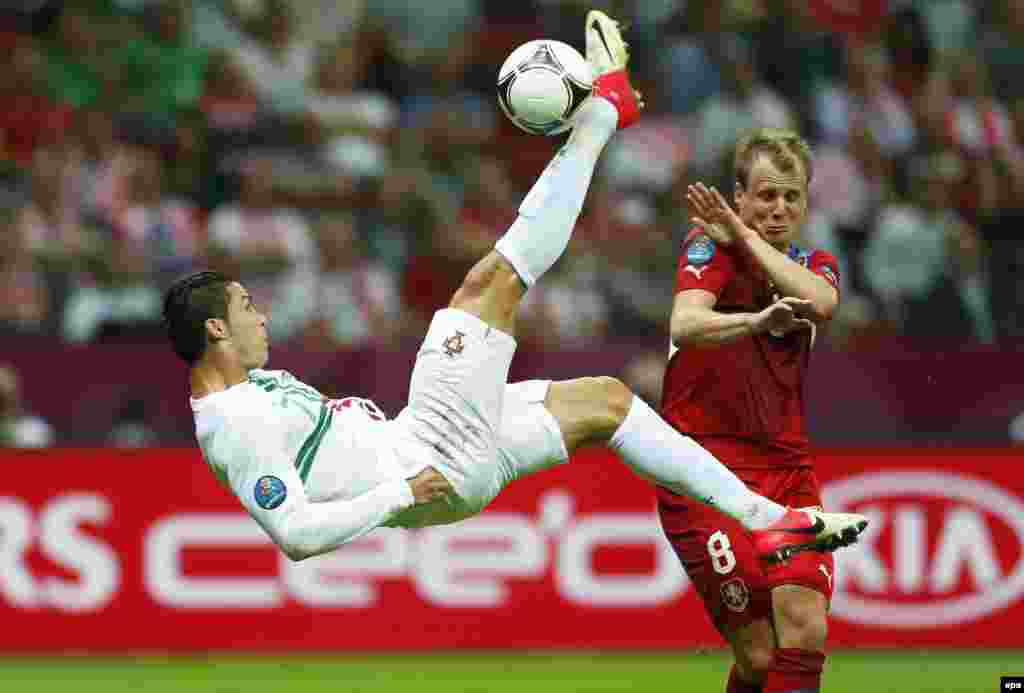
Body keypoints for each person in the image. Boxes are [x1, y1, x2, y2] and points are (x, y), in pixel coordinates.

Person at [163, 15, 866, 567]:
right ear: (216, 330)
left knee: (608, 401)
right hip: (426, 459)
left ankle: (769, 521)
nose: (261, 315)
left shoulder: (251, 390)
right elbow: (296, 535)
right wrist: (401, 490)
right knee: (488, 284)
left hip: (427, 449)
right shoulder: (235, 425)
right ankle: (601, 115)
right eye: (246, 308)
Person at [658, 127, 848, 693]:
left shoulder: (816, 263)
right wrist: (754, 321)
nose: (779, 208)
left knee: (806, 627)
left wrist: (742, 234)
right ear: (739, 196)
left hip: (787, 473)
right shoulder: (707, 249)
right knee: (761, 658)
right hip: (703, 473)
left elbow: (822, 303)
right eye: (765, 195)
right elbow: (685, 324)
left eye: (791, 196)